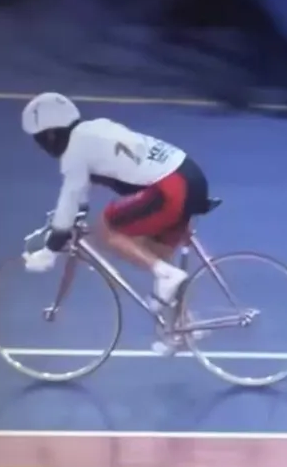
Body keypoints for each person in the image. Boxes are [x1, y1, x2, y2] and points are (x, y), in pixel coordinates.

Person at [20, 92, 210, 321]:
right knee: (152, 252)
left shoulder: (74, 152)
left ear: (50, 135)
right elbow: (79, 198)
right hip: (189, 176)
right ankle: (183, 323)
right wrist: (70, 217)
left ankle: (167, 276)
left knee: (107, 228)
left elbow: (69, 198)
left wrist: (51, 248)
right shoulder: (97, 127)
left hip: (171, 187)